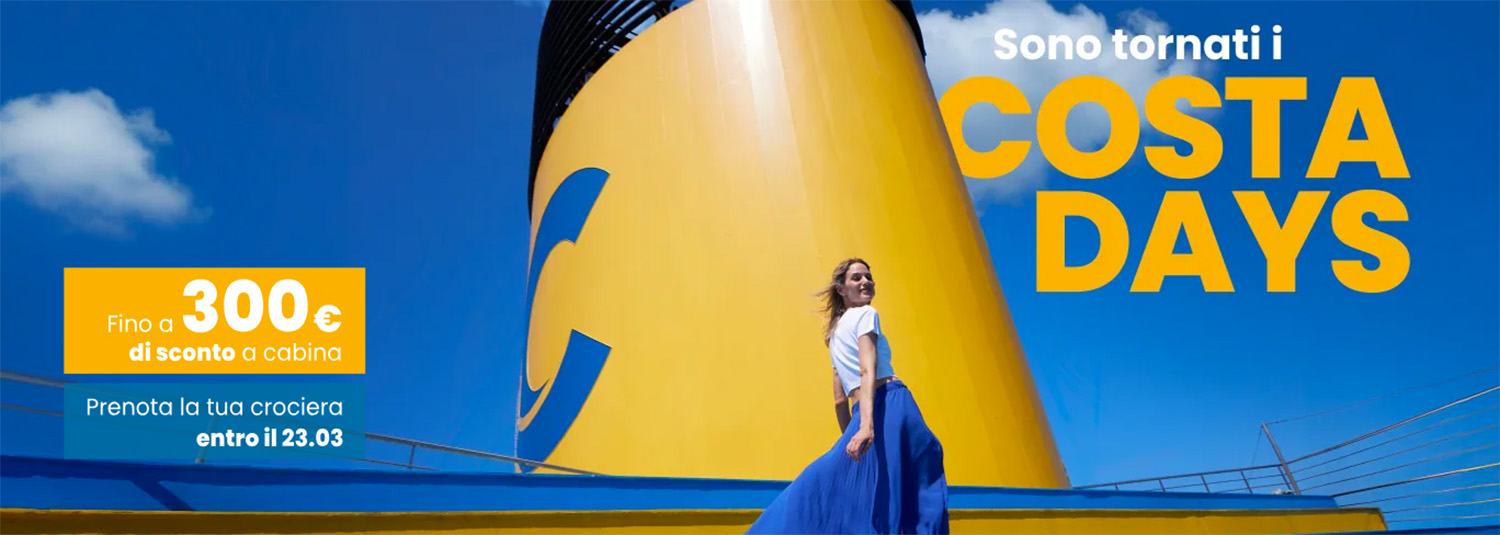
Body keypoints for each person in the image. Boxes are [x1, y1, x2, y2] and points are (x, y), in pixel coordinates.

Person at [747, 258, 949, 534]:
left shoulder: (833, 334)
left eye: (868, 276)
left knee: (872, 491)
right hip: (890, 402)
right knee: (916, 478)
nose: (866, 281)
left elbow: (839, 400)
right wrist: (866, 427)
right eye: (857, 278)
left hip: (862, 412)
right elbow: (867, 370)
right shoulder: (866, 313)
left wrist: (852, 433)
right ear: (841, 289)